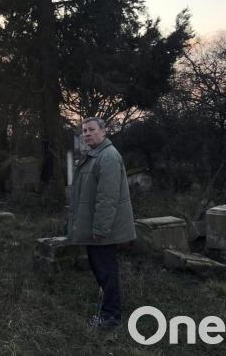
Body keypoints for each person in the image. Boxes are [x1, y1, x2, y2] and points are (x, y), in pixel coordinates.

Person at [67, 117, 136, 329]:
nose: (87, 134)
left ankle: (111, 317)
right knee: (101, 270)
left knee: (106, 271)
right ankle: (107, 308)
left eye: (91, 130)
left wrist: (100, 229)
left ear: (103, 131)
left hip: (103, 230)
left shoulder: (108, 156)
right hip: (96, 227)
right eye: (84, 131)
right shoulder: (95, 155)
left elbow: (107, 198)